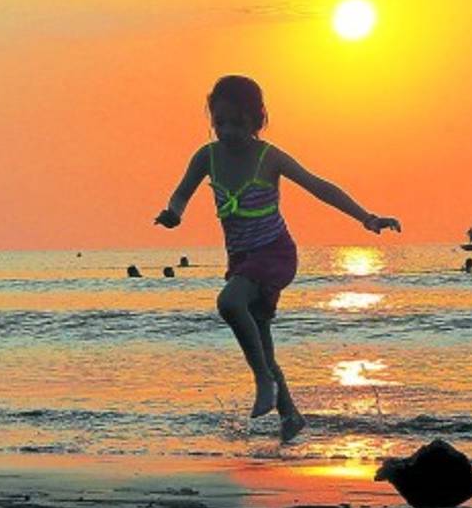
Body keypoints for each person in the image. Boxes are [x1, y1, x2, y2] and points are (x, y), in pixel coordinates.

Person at [155, 75, 401, 442]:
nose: (228, 131)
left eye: (238, 123)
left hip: (275, 254)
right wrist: (173, 213)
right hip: (241, 260)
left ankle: (263, 380)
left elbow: (319, 186)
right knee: (262, 339)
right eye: (220, 122)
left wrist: (367, 218)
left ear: (257, 121)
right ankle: (290, 416)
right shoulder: (207, 157)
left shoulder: (268, 157)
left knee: (229, 302)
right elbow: (180, 195)